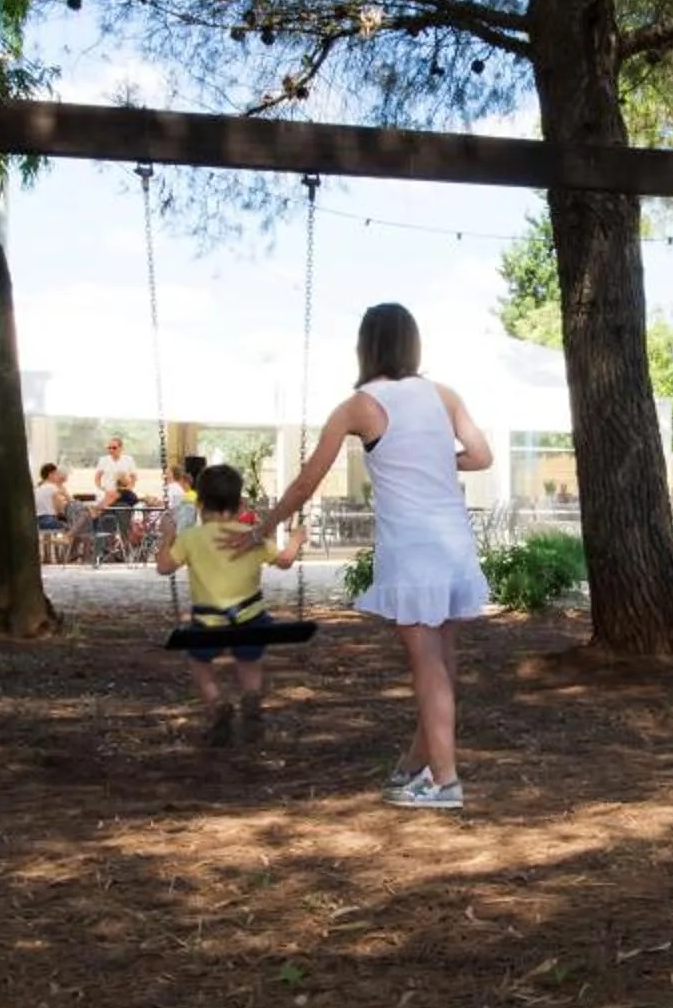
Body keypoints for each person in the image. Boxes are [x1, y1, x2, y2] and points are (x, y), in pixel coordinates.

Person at [257, 303, 492, 809]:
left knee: (427, 665)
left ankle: (446, 783)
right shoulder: (444, 395)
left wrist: (265, 526)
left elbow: (306, 482)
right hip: (454, 544)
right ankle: (415, 768)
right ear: (413, 343)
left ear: (366, 345)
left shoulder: (359, 406)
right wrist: (435, 458)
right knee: (443, 666)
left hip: (411, 550)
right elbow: (481, 456)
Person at [157, 464, 307, 748]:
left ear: (200, 504)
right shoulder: (252, 535)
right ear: (240, 504)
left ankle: (217, 704)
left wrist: (168, 535)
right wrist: (297, 538)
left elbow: (164, 567)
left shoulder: (190, 538)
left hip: (207, 623)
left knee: (199, 663)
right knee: (249, 661)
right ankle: (250, 698)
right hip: (251, 620)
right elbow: (286, 561)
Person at [34, 462, 77, 562]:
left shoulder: (38, 488)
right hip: (48, 520)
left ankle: (51, 554)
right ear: (50, 474)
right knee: (74, 527)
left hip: (37, 521)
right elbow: (60, 507)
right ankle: (65, 557)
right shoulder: (53, 487)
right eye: (56, 474)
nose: (58, 476)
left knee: (67, 526)